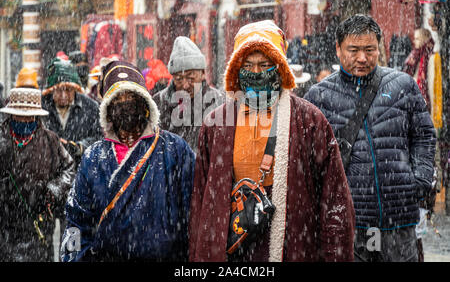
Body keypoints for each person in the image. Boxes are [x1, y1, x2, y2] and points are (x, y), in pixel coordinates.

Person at [189, 20, 355, 262]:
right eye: (248, 65)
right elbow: (202, 202)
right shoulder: (216, 123)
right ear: (237, 69)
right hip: (234, 244)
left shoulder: (309, 120)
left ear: (279, 68)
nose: (256, 72)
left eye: (265, 64)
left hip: (294, 243)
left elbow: (335, 200)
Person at [304, 14, 436, 262]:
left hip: (399, 220)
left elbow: (424, 136)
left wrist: (420, 179)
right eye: (353, 50)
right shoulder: (318, 97)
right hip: (349, 224)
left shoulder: (403, 86)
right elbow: (308, 158)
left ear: (379, 47)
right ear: (338, 49)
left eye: (369, 49)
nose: (362, 58)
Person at [61, 60, 195, 262]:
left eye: (132, 98)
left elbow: (193, 216)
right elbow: (76, 221)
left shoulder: (175, 149)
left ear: (145, 104)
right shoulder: (93, 157)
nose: (126, 105)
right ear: (108, 110)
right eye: (118, 100)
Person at [0, 87, 76, 261]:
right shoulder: (2, 137)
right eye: (19, 115)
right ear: (11, 115)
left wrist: (54, 189)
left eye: (29, 116)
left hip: (39, 225)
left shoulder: (50, 140)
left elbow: (69, 168)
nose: (24, 119)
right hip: (5, 226)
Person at [153, 36, 224, 152]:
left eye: (191, 77)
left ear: (202, 74)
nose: (185, 85)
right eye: (179, 79)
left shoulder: (219, 102)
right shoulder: (158, 103)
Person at [41, 58, 103, 168]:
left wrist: (79, 147)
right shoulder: (41, 107)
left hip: (81, 169)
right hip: (49, 169)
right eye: (59, 90)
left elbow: (99, 137)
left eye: (68, 90)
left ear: (75, 89)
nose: (63, 95)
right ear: (51, 90)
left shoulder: (91, 107)